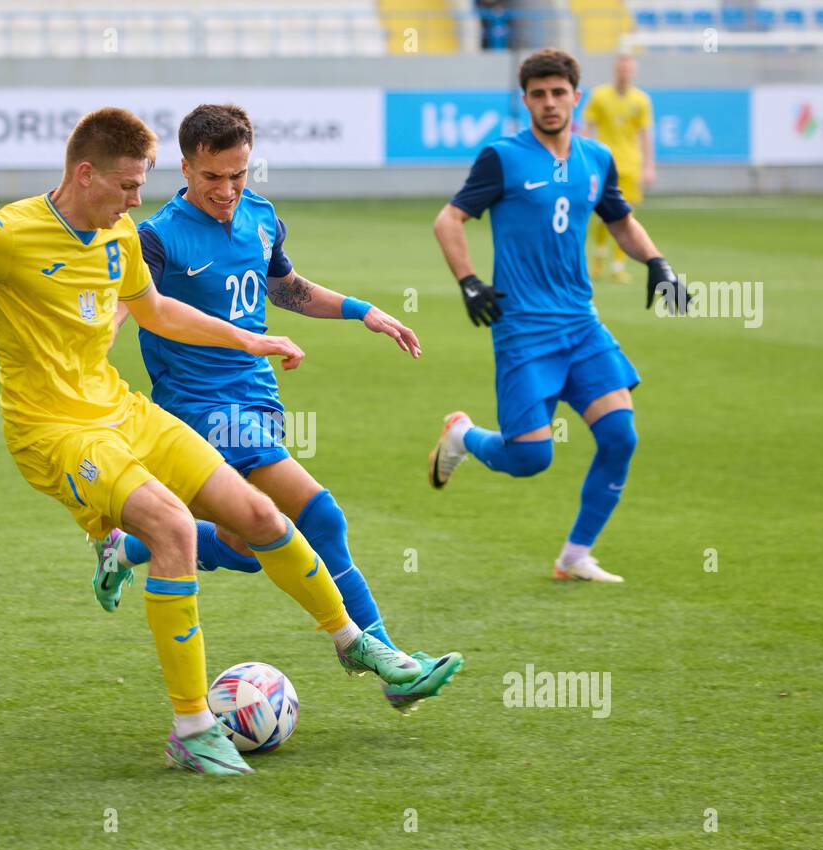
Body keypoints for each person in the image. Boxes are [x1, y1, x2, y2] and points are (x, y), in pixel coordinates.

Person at [0, 107, 421, 777]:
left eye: (141, 184)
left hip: (122, 410)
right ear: (85, 174)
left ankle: (352, 642)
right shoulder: (3, 235)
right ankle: (191, 729)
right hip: (52, 431)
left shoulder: (119, 238)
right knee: (176, 527)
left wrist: (249, 336)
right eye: (126, 185)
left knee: (261, 517)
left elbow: (156, 310)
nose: (136, 198)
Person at [94, 104, 464, 712]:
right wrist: (94, 345)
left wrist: (364, 311)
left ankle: (129, 545)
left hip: (258, 398)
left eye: (238, 173)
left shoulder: (262, 217)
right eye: (213, 177)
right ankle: (385, 659)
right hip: (198, 406)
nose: (228, 189)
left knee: (244, 547)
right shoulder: (156, 236)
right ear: (185, 168)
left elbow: (285, 288)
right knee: (321, 516)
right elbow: (132, 304)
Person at [429, 48, 687, 583]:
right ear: (525, 100)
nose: (549, 103)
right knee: (530, 459)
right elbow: (448, 221)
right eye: (538, 94)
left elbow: (620, 221)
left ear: (576, 96)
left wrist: (658, 263)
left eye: (559, 92)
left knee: (621, 437)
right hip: (523, 329)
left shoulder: (596, 158)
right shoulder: (502, 157)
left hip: (581, 324)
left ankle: (575, 556)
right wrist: (470, 282)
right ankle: (462, 435)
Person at [582, 54, 654, 282]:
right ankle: (597, 260)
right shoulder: (600, 96)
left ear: (633, 71)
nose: (624, 73)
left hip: (630, 166)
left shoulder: (641, 100)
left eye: (628, 69)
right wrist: (579, 157)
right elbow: (587, 127)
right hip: (604, 164)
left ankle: (617, 265)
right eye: (621, 68)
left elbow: (645, 135)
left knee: (626, 216)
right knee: (602, 217)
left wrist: (648, 166)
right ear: (615, 70)